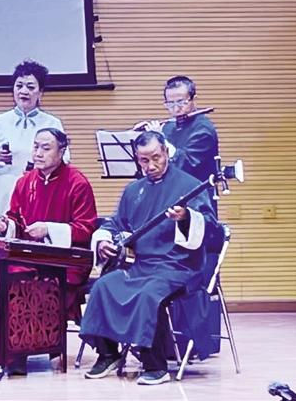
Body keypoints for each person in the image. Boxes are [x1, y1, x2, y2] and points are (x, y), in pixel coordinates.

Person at [0, 127, 97, 375]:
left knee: (21, 283)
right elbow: (16, 219)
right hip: (30, 257)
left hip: (64, 263)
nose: (38, 153)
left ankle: (15, 355)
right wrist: (6, 226)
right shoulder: (25, 181)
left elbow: (86, 228)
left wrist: (49, 229)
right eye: (36, 147)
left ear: (61, 151)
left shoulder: (77, 183)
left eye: (46, 148)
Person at [79, 131, 216, 386]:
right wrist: (104, 240)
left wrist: (186, 218)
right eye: (144, 160)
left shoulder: (189, 185)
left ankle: (155, 365)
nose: (151, 165)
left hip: (179, 266)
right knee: (102, 287)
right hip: (142, 265)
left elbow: (210, 226)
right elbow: (116, 223)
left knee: (149, 294)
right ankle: (108, 354)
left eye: (156, 157)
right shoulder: (134, 190)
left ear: (166, 152)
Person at [145, 75, 223, 352]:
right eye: (170, 103)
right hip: (167, 207)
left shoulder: (204, 129)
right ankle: (160, 343)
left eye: (181, 101)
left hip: (196, 210)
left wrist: (161, 141)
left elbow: (185, 164)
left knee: (190, 274)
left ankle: (194, 343)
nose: (176, 108)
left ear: (193, 99)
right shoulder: (168, 127)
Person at [0, 60, 68, 235]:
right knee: (2, 236)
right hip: (5, 188)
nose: (23, 91)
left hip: (40, 189)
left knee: (34, 235)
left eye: (30, 87)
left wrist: (39, 169)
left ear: (40, 92)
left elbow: (64, 161)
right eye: (19, 86)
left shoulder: (52, 122)